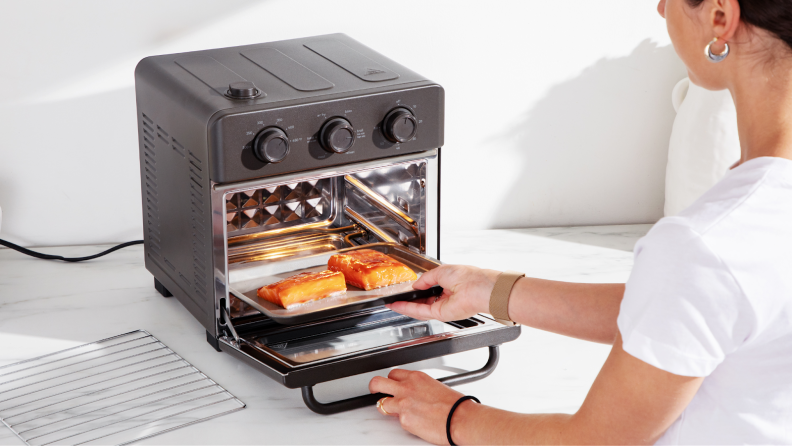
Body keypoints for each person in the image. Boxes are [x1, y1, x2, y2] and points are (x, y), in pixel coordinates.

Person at [368, 0, 792, 444]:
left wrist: (453, 417)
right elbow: (695, 311)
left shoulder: (709, 242)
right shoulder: (734, 237)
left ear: (720, 17)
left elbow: (594, 440)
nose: (661, 7)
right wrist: (490, 289)